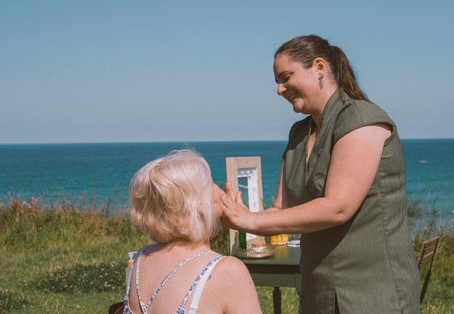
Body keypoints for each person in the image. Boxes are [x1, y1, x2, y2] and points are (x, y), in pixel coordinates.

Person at [219, 35, 421, 313]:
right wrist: (234, 215)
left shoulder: (360, 118)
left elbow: (338, 207)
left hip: (372, 294)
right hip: (319, 290)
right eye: (277, 81)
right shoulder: (299, 133)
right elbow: (281, 209)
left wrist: (251, 221)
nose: (279, 89)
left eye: (286, 77)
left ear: (319, 68)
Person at [124, 149, 262, 314]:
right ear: (198, 203)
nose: (221, 191)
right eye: (211, 184)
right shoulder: (228, 270)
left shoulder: (142, 260)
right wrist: (246, 220)